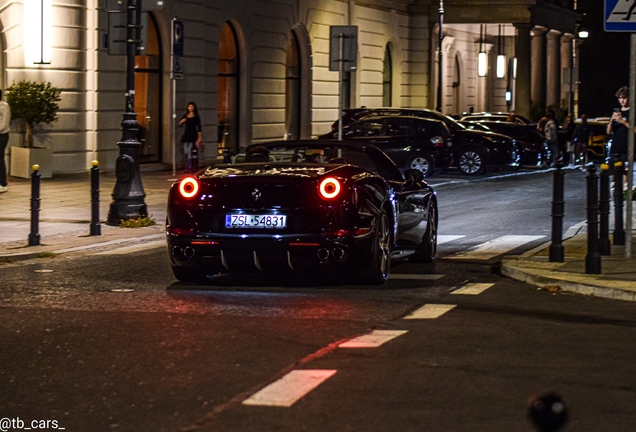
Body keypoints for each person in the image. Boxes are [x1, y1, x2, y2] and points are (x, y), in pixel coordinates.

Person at [607, 87, 630, 179]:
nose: (622, 100)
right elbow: (608, 132)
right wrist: (612, 120)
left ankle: (625, 193)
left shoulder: (632, 112)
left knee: (625, 177)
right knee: (613, 175)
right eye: (620, 98)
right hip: (615, 149)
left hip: (626, 149)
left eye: (624, 97)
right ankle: (613, 193)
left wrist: (622, 121)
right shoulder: (616, 112)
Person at [178, 102, 202, 173]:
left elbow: (199, 128)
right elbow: (180, 124)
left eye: (192, 106)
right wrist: (181, 122)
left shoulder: (196, 116)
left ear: (194, 107)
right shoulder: (185, 116)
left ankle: (188, 167)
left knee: (189, 152)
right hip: (186, 135)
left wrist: (199, 137)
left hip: (193, 136)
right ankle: (189, 166)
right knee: (186, 151)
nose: (190, 108)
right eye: (189, 106)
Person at [0, 90, 10, 194]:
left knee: (0, 158)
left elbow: (4, 123)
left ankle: (3, 183)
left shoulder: (4, 106)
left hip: (2, 135)